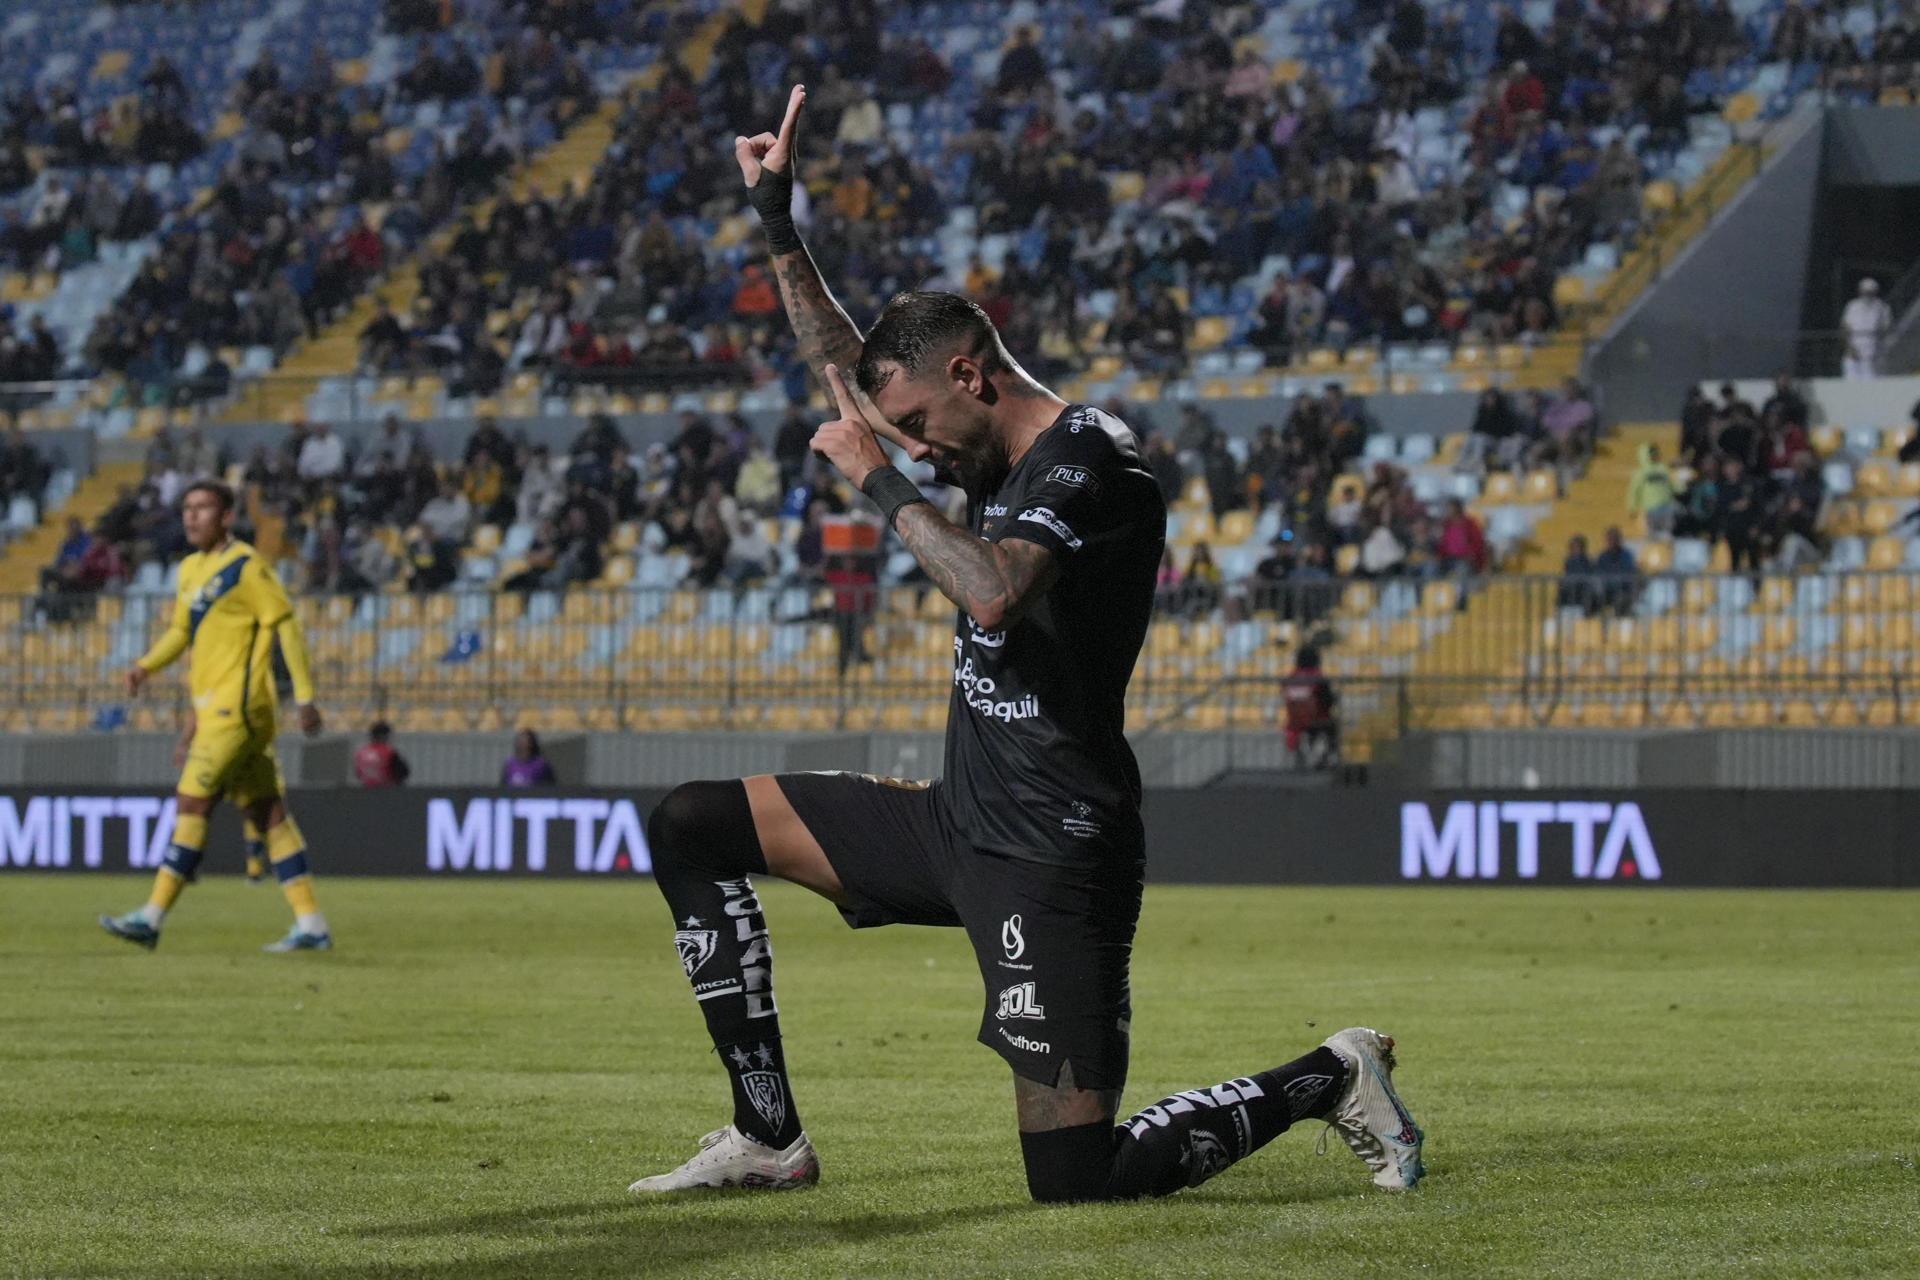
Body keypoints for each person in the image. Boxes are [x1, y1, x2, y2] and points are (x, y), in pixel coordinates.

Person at [625, 85, 1424, 1203]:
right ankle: (769, 1135)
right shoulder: (979, 446)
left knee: (1077, 1178)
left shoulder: (1092, 460)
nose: (909, 443)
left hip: (1055, 845)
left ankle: (1332, 1073)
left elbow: (994, 593)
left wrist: (882, 482)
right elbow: (855, 376)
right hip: (953, 819)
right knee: (691, 822)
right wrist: (776, 224)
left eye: (916, 424)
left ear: (969, 376)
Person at [98, 481, 332, 953]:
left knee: (192, 803)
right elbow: (180, 631)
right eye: (187, 508)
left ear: (226, 517)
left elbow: (286, 627)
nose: (191, 516)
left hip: (237, 708)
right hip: (214, 709)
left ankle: (151, 917)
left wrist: (305, 697)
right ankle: (311, 925)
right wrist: (145, 666)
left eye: (203, 508)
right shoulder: (190, 569)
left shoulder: (246, 567)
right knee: (268, 814)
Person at [1280, 644, 1338, 769]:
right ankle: (1328, 757)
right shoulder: (1317, 677)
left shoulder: (1289, 679)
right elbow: (1328, 701)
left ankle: (1309, 754)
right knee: (1333, 725)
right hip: (1315, 721)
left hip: (1294, 722)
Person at [1841, 278, 1891, 379]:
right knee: (1851, 378)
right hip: (1854, 351)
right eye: (1865, 292)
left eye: (1870, 292)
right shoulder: (1852, 306)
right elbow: (1846, 327)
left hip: (1873, 352)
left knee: (1871, 379)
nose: (1867, 295)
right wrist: (1850, 348)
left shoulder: (1882, 307)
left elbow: (1885, 329)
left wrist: (1878, 348)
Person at [1626, 443, 1678, 535]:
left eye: (1656, 452)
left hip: (1662, 507)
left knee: (1662, 534)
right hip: (1656, 508)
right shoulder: (1645, 472)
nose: (1656, 455)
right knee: (1659, 534)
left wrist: (1632, 509)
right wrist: (1632, 508)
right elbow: (1634, 491)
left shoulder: (1661, 469)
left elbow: (1672, 485)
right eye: (1653, 453)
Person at [352, 720, 410, 787]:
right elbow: (403, 773)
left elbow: (358, 774)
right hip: (385, 789)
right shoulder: (389, 752)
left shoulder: (360, 753)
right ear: (384, 736)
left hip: (366, 788)